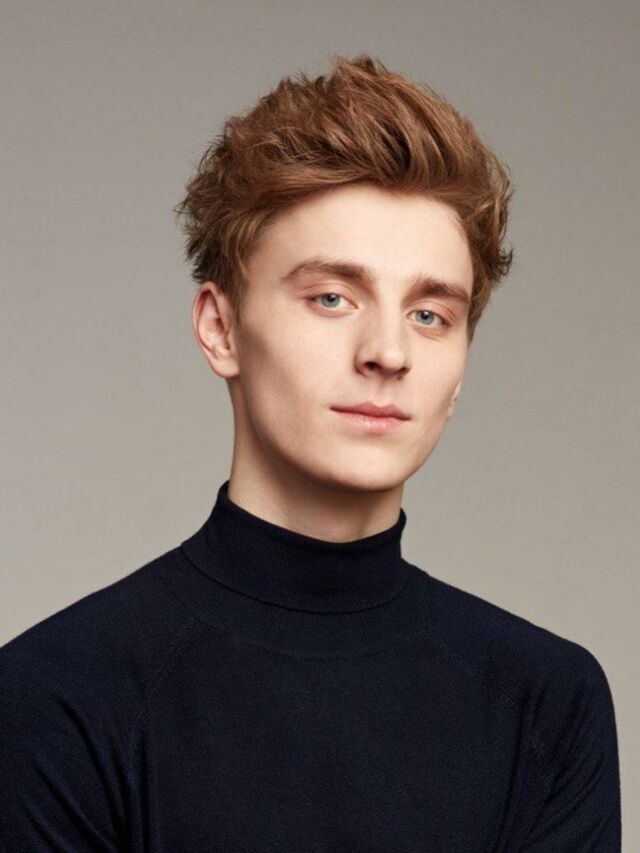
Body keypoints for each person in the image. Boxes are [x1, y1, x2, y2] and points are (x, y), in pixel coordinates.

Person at [0, 54, 621, 851]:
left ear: (461, 367)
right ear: (221, 328)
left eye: (430, 315)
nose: (388, 351)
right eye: (332, 297)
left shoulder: (547, 702)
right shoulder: (54, 695)